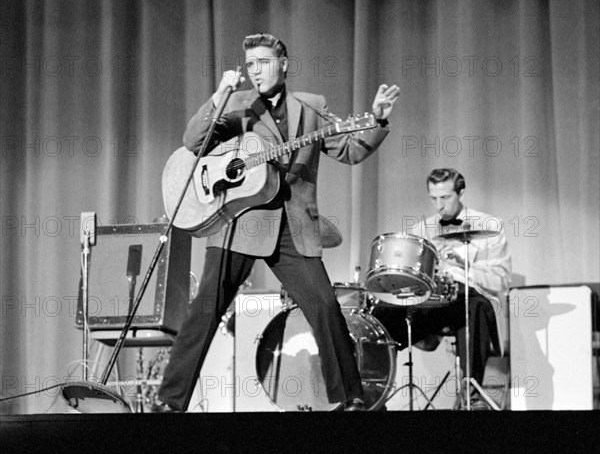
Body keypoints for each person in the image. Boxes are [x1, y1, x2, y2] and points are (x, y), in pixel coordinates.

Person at [154, 33, 400, 412]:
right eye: (250, 65)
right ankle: (170, 401)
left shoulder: (311, 107)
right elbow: (193, 141)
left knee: (323, 306)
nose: (256, 71)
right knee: (205, 309)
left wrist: (378, 119)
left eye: (264, 62)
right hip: (239, 219)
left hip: (292, 224)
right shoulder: (236, 105)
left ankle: (350, 398)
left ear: (283, 64)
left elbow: (350, 151)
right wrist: (219, 94)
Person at [371, 168, 511, 409]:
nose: (439, 205)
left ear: (461, 192)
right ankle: (375, 392)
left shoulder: (489, 227)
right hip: (430, 303)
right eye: (434, 198)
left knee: (475, 305)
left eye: (445, 197)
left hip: (467, 299)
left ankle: (472, 394)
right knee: (380, 315)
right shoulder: (421, 230)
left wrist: (465, 266)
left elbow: (501, 280)